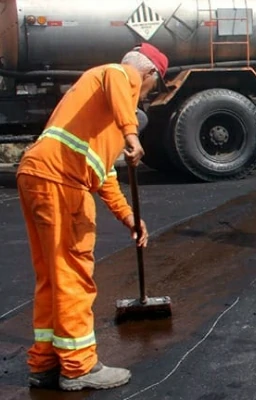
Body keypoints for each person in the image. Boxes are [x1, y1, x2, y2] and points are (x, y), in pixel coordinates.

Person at [16, 42, 168, 391]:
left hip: (38, 175)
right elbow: (119, 81)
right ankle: (80, 366)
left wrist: (130, 218)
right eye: (151, 87)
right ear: (147, 74)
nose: (144, 95)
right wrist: (130, 133)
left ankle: (45, 362)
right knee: (73, 275)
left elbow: (105, 177)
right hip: (61, 181)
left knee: (52, 276)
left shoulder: (95, 129)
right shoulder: (117, 73)